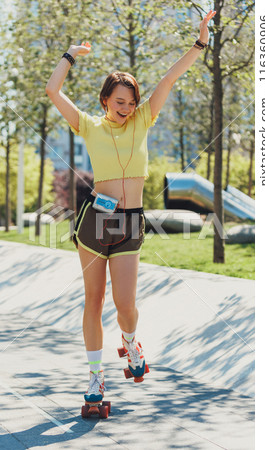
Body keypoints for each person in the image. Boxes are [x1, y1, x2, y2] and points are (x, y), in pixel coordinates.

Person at [45, 10, 216, 403]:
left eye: (132, 101)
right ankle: (94, 378)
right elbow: (53, 91)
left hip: (129, 223)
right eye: (120, 101)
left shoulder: (144, 120)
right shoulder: (89, 125)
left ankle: (131, 341)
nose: (127, 106)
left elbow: (171, 77)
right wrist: (69, 55)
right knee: (93, 300)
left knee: (126, 305)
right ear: (105, 100)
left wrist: (200, 41)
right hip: (95, 222)